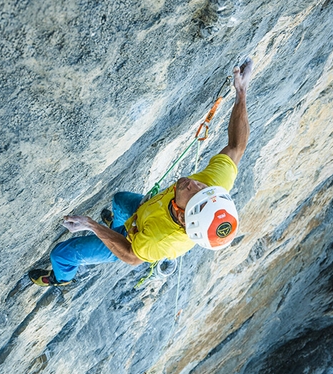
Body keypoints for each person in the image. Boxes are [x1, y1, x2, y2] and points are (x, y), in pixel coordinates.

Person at [29, 58, 253, 286]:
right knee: (120, 200)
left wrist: (91, 225)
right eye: (202, 187)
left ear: (184, 217)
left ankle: (62, 278)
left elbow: (130, 256)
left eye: (194, 193)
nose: (193, 184)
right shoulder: (215, 188)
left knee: (62, 253)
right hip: (144, 214)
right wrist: (241, 93)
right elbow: (237, 146)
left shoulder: (160, 241)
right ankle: (118, 226)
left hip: (133, 239)